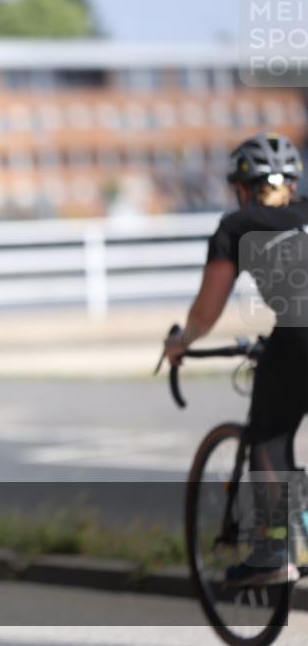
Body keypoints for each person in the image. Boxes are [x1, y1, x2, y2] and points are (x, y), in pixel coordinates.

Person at [165, 132, 308, 586]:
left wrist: (181, 342)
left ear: (242, 186)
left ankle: (275, 549)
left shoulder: (238, 224)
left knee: (268, 441)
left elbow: (206, 312)